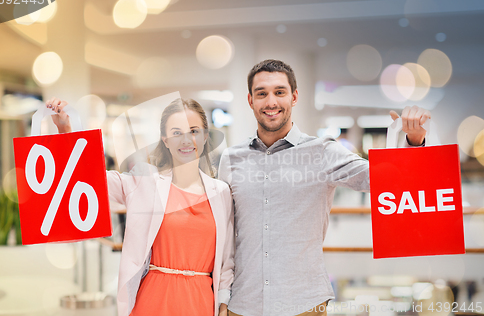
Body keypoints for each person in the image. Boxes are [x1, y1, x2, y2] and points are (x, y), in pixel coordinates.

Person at [218, 59, 430, 316]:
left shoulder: (322, 152)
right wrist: (223, 296)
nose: (271, 102)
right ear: (251, 100)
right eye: (262, 93)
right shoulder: (232, 158)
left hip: (304, 304)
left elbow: (384, 181)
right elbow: (225, 236)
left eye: (280, 92)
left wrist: (413, 140)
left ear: (294, 97)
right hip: (242, 305)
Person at [46, 97, 234, 316]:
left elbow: (227, 261)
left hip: (200, 302)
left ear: (205, 136)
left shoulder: (221, 193)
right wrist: (66, 130)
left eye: (193, 131)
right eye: (176, 133)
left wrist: (223, 305)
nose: (185, 140)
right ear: (165, 140)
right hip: (152, 301)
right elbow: (90, 177)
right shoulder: (145, 183)